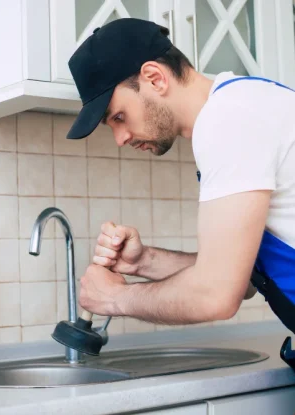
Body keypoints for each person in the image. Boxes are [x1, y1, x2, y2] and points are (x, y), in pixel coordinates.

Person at [66, 18, 295, 337]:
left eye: (119, 117)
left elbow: (216, 295)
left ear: (154, 78)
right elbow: (243, 281)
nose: (120, 138)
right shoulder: (243, 104)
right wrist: (141, 262)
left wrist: (114, 298)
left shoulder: (229, 121)